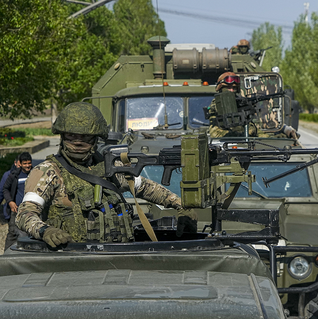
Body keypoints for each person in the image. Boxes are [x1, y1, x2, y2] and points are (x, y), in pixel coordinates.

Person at [16, 102, 197, 248]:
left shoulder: (109, 166)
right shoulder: (48, 172)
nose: (78, 143)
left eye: (85, 137)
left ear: (96, 139)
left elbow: (146, 188)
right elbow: (24, 214)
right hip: (72, 259)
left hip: (119, 256)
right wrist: (45, 231)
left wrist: (182, 206)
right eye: (72, 136)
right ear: (62, 137)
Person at [2, 152, 32, 250]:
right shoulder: (14, 175)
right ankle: (7, 256)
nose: (27, 166)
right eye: (25, 164)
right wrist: (10, 201)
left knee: (29, 233)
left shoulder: (35, 173)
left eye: (29, 163)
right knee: (12, 233)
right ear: (20, 163)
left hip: (32, 209)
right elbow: (5, 189)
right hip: (16, 210)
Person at [0, 157, 20, 251]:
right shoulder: (8, 175)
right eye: (19, 165)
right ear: (15, 163)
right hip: (11, 210)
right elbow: (2, 191)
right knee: (12, 233)